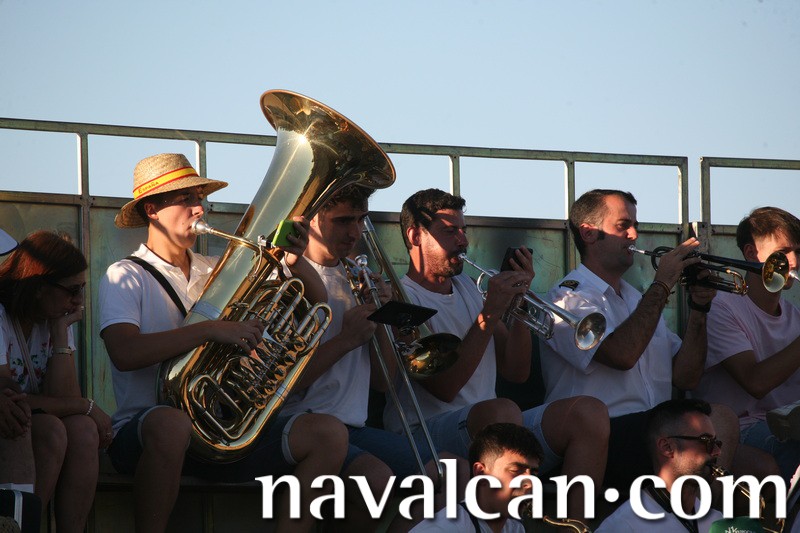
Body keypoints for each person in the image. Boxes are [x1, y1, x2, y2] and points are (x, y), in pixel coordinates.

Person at [99, 153, 348, 533]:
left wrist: (295, 262)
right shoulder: (125, 274)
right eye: (185, 199)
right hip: (145, 432)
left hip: (219, 435)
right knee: (171, 423)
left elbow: (316, 301)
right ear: (152, 210)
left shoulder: (216, 268)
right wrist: (209, 330)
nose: (199, 208)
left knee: (328, 434)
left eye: (200, 198)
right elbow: (124, 352)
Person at [384, 188, 609, 520]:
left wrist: (518, 305)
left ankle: (575, 527)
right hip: (424, 432)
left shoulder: (467, 288)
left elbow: (516, 371)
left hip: (491, 425)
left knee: (589, 412)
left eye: (464, 231)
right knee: (501, 411)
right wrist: (489, 314)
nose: (462, 241)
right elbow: (446, 387)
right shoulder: (400, 299)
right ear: (415, 236)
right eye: (450, 232)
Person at [280, 184, 467, 531]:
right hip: (299, 424)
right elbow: (282, 386)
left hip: (354, 428)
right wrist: (346, 340)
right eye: (343, 221)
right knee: (375, 481)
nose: (355, 232)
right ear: (312, 220)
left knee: (454, 474)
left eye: (361, 220)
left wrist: (381, 317)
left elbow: (383, 382)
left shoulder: (359, 276)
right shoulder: (288, 276)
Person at [538, 188, 749, 490]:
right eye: (623, 226)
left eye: (635, 225)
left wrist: (700, 308)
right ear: (588, 233)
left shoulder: (638, 300)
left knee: (722, 419)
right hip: (604, 435)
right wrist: (662, 284)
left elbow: (686, 377)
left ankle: (703, 513)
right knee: (690, 438)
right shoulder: (567, 297)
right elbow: (622, 355)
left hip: (653, 429)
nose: (635, 235)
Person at [0, 230, 111, 533]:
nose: (78, 302)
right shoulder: (2, 315)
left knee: (83, 429)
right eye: (72, 290)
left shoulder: (55, 317)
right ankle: (24, 526)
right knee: (51, 430)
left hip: (28, 420)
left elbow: (66, 402)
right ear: (39, 286)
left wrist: (61, 333)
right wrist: (86, 405)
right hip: (14, 422)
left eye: (82, 290)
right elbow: (9, 397)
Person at [694, 206, 800, 482]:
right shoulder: (722, 308)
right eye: (784, 252)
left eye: (798, 253)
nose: (794, 262)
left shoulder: (795, 316)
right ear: (752, 253)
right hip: (737, 429)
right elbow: (755, 381)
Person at [596, 398, 724, 532]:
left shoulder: (716, 521)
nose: (717, 451)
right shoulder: (625, 525)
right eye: (706, 441)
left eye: (716, 443)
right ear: (667, 447)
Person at [410, 423, 541, 532]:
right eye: (515, 471)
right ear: (480, 472)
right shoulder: (444, 529)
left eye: (533, 474)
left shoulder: (515, 529)